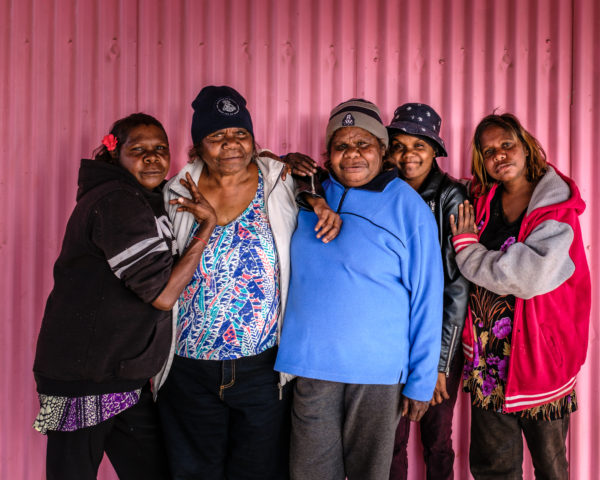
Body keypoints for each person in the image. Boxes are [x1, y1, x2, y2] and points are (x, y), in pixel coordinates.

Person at [155, 85, 339, 480]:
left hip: (262, 369)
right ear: (198, 147)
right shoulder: (173, 193)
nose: (230, 144)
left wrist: (313, 194)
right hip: (188, 371)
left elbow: (321, 192)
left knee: (259, 472)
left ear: (254, 140)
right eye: (216, 137)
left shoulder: (281, 182)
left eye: (239, 133)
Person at [32, 113, 216, 480]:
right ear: (115, 154)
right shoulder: (117, 201)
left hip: (122, 377)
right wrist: (206, 228)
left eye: (160, 150)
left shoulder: (142, 197)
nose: (152, 158)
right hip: (83, 379)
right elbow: (163, 295)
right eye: (139, 150)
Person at [275, 98, 444, 480]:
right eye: (341, 145)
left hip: (377, 373)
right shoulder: (306, 193)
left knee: (371, 473)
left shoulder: (408, 207)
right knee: (310, 472)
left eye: (363, 144)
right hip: (311, 365)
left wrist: (421, 380)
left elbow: (428, 299)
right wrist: (288, 164)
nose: (352, 154)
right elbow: (251, 165)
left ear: (382, 151)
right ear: (328, 153)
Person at [449, 113, 591, 479]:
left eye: (506, 145)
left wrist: (468, 251)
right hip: (487, 361)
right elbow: (432, 184)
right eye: (489, 151)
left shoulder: (556, 209)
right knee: (493, 467)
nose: (499, 155)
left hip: (540, 356)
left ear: (526, 147)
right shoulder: (481, 201)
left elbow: (528, 277)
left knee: (550, 465)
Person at [385, 103, 469, 480]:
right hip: (390, 343)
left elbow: (456, 288)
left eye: (418, 145)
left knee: (437, 440)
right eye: (398, 145)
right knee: (391, 440)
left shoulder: (450, 198)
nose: (408, 155)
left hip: (437, 341)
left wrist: (438, 364)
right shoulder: (381, 190)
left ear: (434, 150)